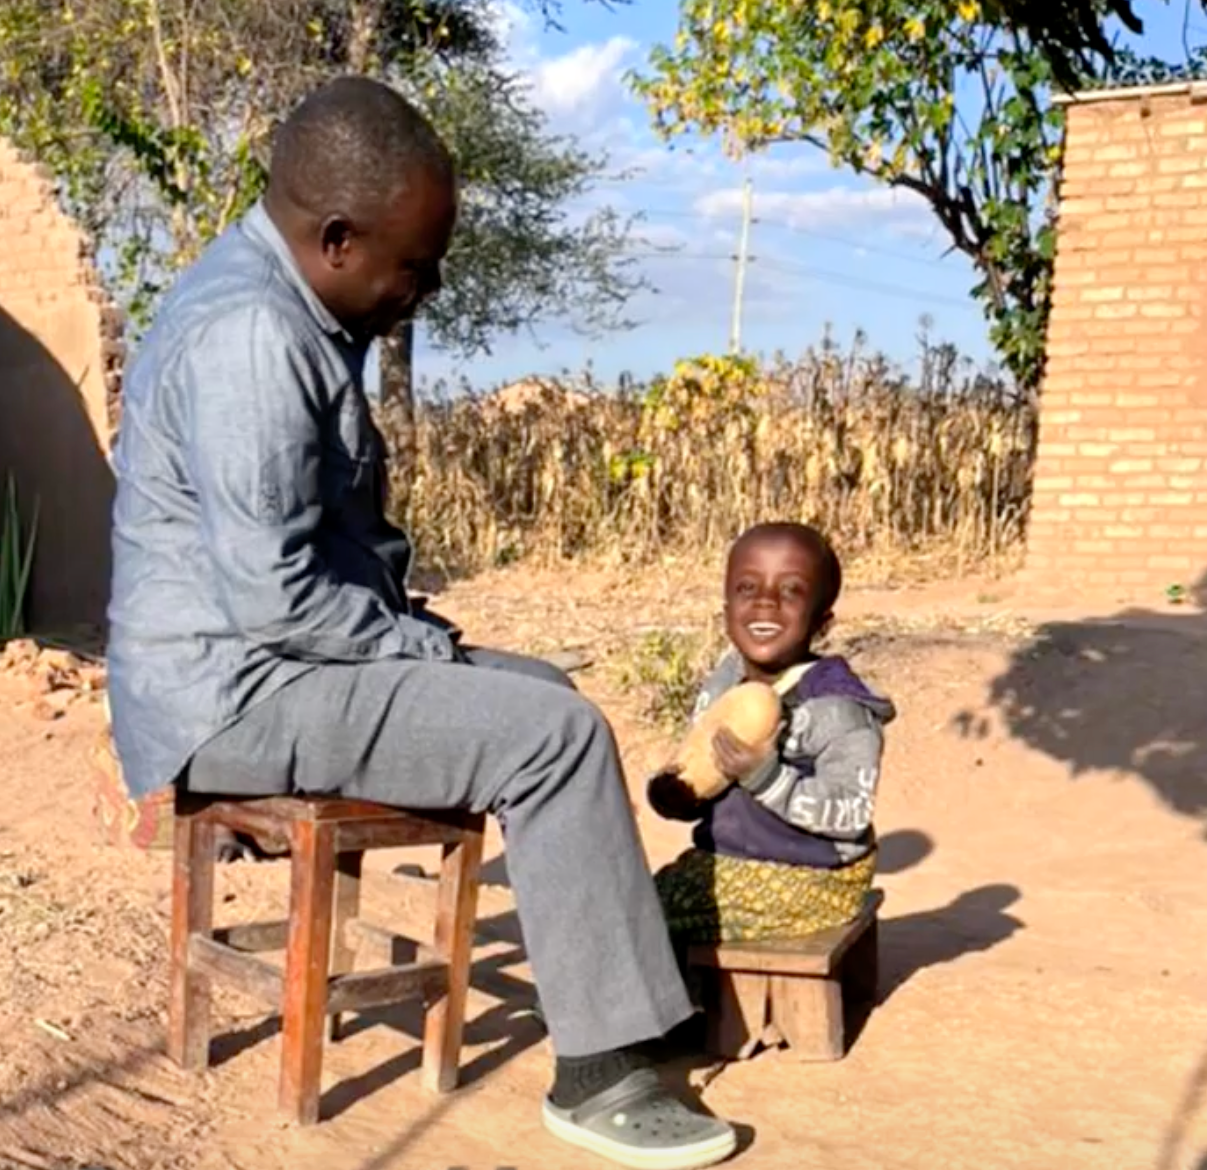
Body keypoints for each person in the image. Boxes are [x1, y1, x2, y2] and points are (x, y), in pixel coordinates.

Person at [105, 76, 738, 1169]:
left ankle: (622, 994)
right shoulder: (254, 337)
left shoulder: (281, 298)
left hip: (265, 664)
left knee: (541, 691)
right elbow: (272, 597)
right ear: (338, 238)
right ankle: (598, 1075)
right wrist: (414, 643)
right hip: (232, 692)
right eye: (415, 264)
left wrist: (418, 637)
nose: (426, 289)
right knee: (551, 739)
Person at [649, 522, 896, 949]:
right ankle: (662, 1004)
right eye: (747, 589)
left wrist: (768, 779)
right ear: (726, 610)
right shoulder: (724, 683)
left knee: (652, 919)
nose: (766, 603)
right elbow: (702, 769)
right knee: (627, 899)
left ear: (822, 622)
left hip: (814, 878)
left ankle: (669, 1012)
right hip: (729, 861)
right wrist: (676, 792)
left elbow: (852, 814)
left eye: (791, 591)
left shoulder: (838, 708)